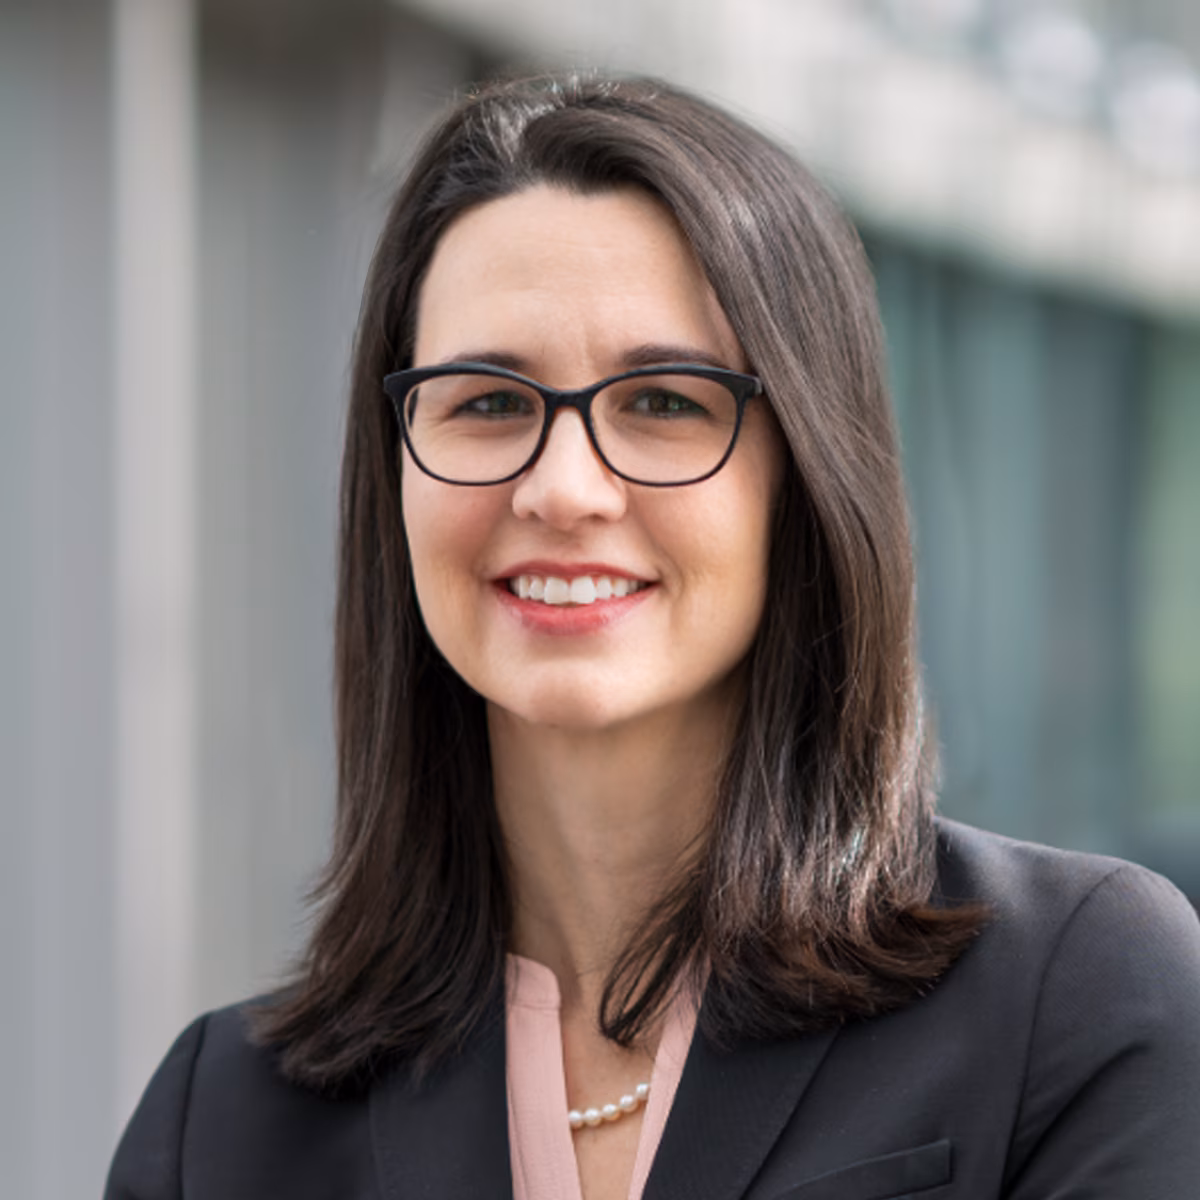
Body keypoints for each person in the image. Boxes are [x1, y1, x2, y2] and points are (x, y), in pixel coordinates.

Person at [106, 74, 1200, 1200]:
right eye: (486, 401)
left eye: (665, 401)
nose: (563, 487)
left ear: (808, 477)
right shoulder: (223, 1126)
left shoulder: (1076, 998)